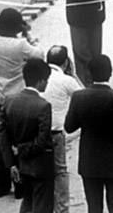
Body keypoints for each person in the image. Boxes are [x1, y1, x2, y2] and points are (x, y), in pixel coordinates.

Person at [64, 54, 113, 213]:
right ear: (110, 72)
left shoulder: (79, 97)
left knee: (94, 207)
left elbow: (69, 127)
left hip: (89, 161)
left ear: (89, 73)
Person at [0, 8, 44, 197]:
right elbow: (39, 54)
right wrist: (28, 33)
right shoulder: (20, 45)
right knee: (19, 142)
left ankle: (0, 186)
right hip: (17, 99)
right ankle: (20, 187)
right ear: (17, 26)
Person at [0, 58, 55, 213]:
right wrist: (21, 149)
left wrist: (11, 163)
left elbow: (2, 135)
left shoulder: (9, 100)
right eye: (47, 80)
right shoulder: (43, 106)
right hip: (41, 166)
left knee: (27, 202)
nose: (47, 84)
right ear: (41, 81)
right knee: (42, 205)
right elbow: (42, 141)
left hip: (21, 166)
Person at [42, 47, 82, 213]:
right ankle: (61, 210)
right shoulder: (67, 80)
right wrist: (73, 75)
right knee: (60, 172)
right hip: (56, 133)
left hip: (36, 130)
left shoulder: (39, 77)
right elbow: (84, 97)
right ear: (66, 62)